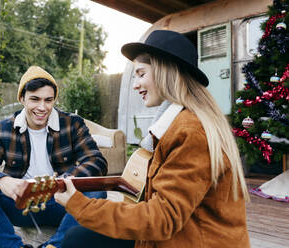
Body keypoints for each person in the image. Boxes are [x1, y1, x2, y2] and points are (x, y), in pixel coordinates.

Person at [55, 30, 251, 248]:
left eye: (141, 74)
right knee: (80, 237)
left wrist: (80, 206)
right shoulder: (183, 123)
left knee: (77, 240)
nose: (136, 85)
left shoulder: (190, 131)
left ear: (164, 70)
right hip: (180, 236)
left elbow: (163, 218)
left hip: (194, 241)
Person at [0, 66, 107, 248]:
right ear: (22, 98)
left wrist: (64, 181)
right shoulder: (4, 129)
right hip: (20, 205)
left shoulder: (72, 124)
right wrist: (2, 181)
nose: (42, 107)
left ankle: (54, 247)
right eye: (35, 99)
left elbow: (96, 161)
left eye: (48, 100)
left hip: (61, 202)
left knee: (97, 193)